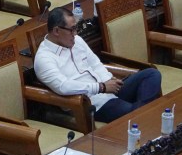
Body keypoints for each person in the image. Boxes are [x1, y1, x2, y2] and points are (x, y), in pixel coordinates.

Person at [34, 7, 162, 123]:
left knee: (152, 74)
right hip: (90, 103)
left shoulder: (77, 41)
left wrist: (108, 79)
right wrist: (100, 87)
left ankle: (140, 116)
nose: (76, 34)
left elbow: (95, 63)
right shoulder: (44, 59)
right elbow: (64, 87)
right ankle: (142, 117)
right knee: (131, 111)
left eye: (76, 28)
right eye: (72, 30)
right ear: (56, 31)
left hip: (107, 88)